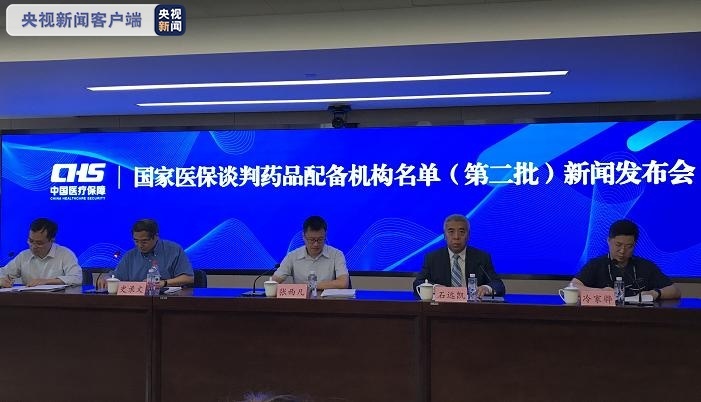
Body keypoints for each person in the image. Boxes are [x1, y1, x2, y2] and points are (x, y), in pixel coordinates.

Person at [571, 219, 681, 300]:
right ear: (608, 241)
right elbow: (573, 286)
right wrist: (600, 292)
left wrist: (655, 293)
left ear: (635, 245)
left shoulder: (645, 266)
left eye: (629, 246)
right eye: (618, 245)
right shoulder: (596, 265)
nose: (622, 251)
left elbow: (675, 290)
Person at [413, 214, 505, 298]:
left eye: (461, 232)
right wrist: (435, 287)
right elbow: (418, 283)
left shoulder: (482, 257)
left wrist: (486, 288)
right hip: (442, 307)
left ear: (468, 235)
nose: (456, 237)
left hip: (472, 307)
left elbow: (498, 284)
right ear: (444, 235)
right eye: (451, 231)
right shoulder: (432, 258)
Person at [97, 219, 193, 289]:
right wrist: (107, 278)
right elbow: (116, 276)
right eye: (136, 241)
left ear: (156, 236)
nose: (139, 245)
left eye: (144, 241)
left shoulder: (173, 250)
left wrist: (164, 283)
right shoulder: (130, 256)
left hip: (168, 300)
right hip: (137, 302)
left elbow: (188, 278)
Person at [0, 218, 82, 287]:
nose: (33, 246)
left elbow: (77, 278)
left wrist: (46, 281)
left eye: (39, 243)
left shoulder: (65, 254)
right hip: (29, 299)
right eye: (31, 241)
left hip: (58, 299)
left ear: (52, 240)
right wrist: (1, 280)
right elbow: (3, 272)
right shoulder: (24, 255)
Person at [272, 216, 349, 289]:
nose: (316, 244)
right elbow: (274, 282)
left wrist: (311, 285)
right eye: (312, 240)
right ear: (303, 237)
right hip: (302, 298)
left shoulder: (337, 255)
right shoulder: (292, 256)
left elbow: (343, 283)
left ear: (325, 236)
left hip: (327, 298)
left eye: (320, 239)